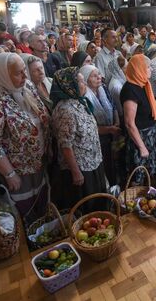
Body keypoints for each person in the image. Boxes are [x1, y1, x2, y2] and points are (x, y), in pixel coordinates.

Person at [0, 53, 50, 222]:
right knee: (24, 205)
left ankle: (42, 230)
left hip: (38, 160)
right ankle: (31, 236)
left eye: (24, 70)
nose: (25, 75)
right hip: (17, 168)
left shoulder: (27, 86)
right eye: (18, 73)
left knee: (41, 198)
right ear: (2, 74)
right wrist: (9, 173)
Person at [50, 67, 106, 212]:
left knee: (99, 202)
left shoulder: (79, 101)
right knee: (87, 206)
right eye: (81, 81)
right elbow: (65, 145)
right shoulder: (66, 110)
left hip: (93, 161)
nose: (84, 84)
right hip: (81, 167)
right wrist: (76, 172)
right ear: (69, 85)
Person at [121, 55, 156, 185]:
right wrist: (142, 147)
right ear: (139, 69)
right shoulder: (130, 90)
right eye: (148, 67)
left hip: (150, 135)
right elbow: (129, 123)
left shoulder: (143, 84)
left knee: (150, 172)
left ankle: (151, 196)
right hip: (139, 138)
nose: (151, 70)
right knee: (138, 174)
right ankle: (137, 200)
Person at [80, 65, 121, 186]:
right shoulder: (85, 97)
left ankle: (115, 187)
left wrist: (117, 122)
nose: (99, 77)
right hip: (98, 139)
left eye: (99, 74)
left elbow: (113, 106)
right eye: (94, 76)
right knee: (104, 166)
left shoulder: (103, 88)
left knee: (114, 164)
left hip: (111, 133)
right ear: (86, 80)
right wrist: (110, 129)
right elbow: (90, 126)